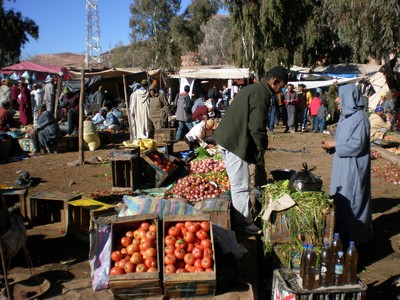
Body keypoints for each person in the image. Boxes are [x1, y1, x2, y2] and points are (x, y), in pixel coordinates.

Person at [214, 65, 288, 235]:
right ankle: (243, 224)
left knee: (236, 182)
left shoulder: (253, 88)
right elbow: (257, 127)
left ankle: (238, 217)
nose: (280, 91)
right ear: (275, 81)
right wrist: (261, 149)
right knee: (241, 185)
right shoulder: (262, 94)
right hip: (234, 142)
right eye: (281, 86)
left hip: (225, 140)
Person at [322, 83, 372, 247]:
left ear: (348, 97)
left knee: (353, 201)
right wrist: (331, 146)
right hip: (341, 166)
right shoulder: (345, 118)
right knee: (340, 200)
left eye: (339, 96)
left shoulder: (361, 119)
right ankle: (340, 237)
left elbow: (357, 145)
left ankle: (356, 241)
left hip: (353, 168)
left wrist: (335, 144)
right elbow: (341, 142)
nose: (336, 99)